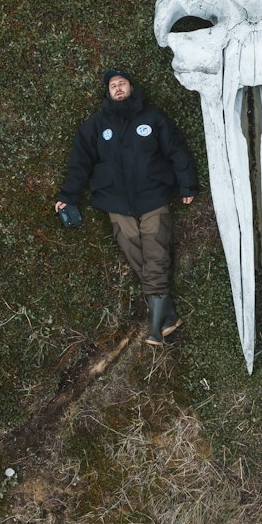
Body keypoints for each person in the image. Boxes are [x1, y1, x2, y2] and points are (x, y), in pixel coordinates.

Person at [56, 68, 198, 344]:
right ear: (108, 93)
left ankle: (156, 329)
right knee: (140, 261)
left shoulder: (154, 118)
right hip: (117, 204)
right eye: (112, 86)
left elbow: (176, 150)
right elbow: (79, 162)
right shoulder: (96, 126)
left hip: (153, 198)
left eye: (122, 84)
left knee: (155, 258)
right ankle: (168, 316)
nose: (118, 89)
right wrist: (69, 195)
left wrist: (187, 185)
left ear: (131, 88)